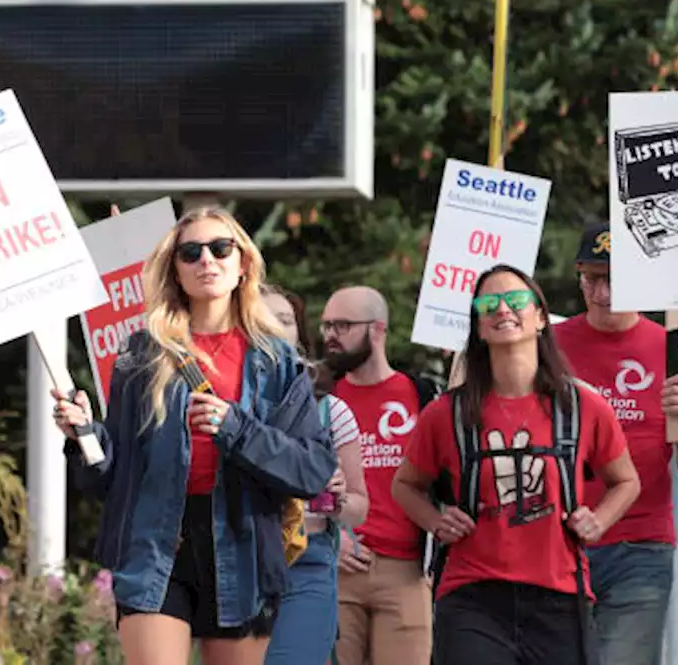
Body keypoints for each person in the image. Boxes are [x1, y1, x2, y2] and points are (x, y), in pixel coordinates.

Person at [51, 206, 337, 665]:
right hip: (157, 542)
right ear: (176, 271)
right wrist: (84, 434)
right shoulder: (142, 354)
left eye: (220, 248)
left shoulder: (276, 361)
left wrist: (236, 429)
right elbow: (112, 474)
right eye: (190, 252)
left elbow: (311, 469)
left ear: (242, 264)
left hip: (242, 547)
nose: (207, 260)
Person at [393, 263, 641, 665]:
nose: (503, 309)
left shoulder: (582, 407)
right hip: (472, 594)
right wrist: (436, 521)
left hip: (558, 595)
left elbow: (626, 481)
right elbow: (404, 485)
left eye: (516, 300)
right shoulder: (447, 413)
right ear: (478, 326)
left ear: (540, 317)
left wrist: (599, 520)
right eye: (489, 303)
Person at [552, 222, 678, 665]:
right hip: (557, 541)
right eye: (592, 278)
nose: (603, 293)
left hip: (640, 546)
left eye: (616, 279)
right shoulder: (547, 347)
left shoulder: (677, 352)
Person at [320, 285, 441, 665]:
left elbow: (445, 480)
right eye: (326, 326)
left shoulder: (423, 396)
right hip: (334, 568)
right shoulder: (318, 400)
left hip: (406, 572)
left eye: (342, 325)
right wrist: (328, 537)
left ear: (378, 329)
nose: (330, 336)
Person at [261, 284, 370, 665]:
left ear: (298, 335)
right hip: (242, 561)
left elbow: (359, 508)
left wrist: (339, 500)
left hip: (307, 565)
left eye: (285, 319)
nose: (274, 326)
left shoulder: (330, 412)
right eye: (263, 317)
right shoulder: (224, 407)